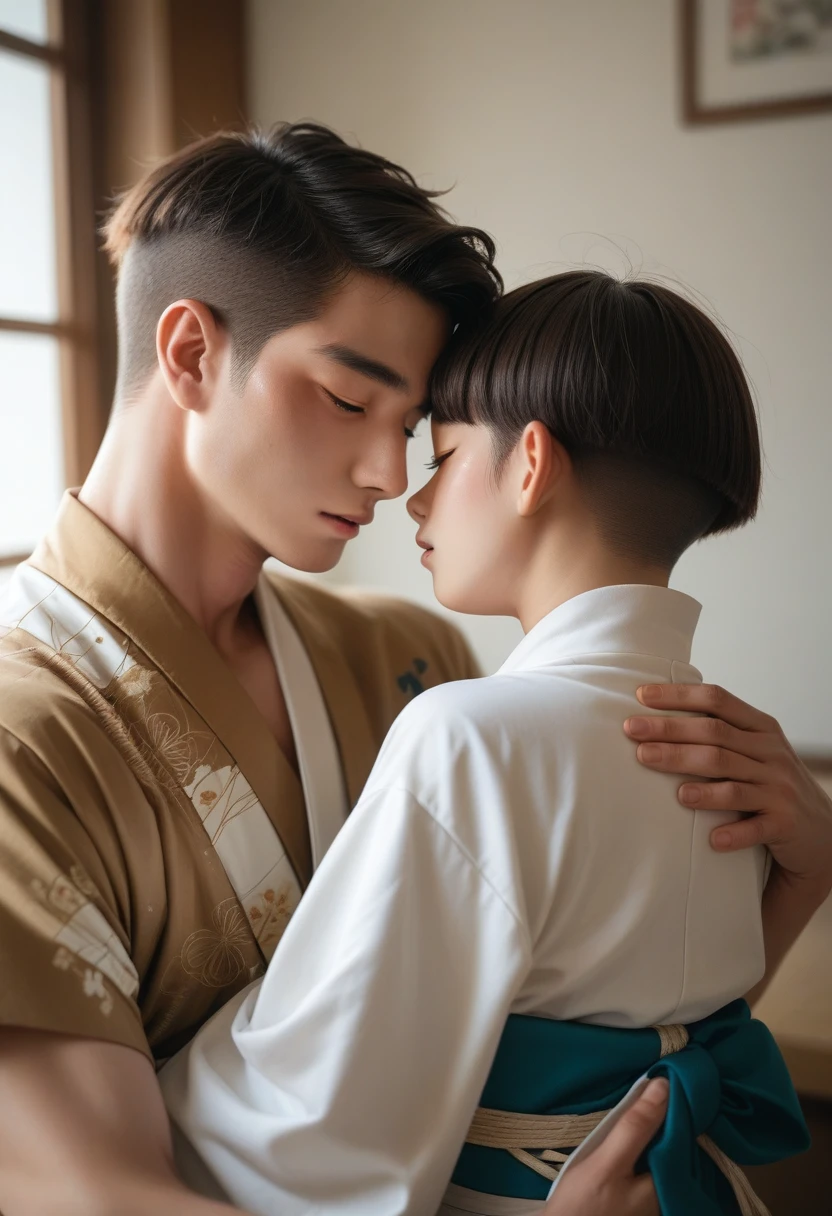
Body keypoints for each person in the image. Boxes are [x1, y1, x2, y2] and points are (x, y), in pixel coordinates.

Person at [0, 125, 828, 1216]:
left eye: (415, 430)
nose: (389, 475)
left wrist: (803, 867)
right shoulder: (21, 735)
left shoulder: (410, 659)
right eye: (351, 401)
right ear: (192, 353)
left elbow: (574, 1018)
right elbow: (93, 1196)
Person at [161, 271, 812, 1216]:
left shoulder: (469, 735)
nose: (413, 500)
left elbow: (318, 1108)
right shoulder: (740, 754)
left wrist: (125, 1077)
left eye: (446, 455)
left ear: (532, 464)